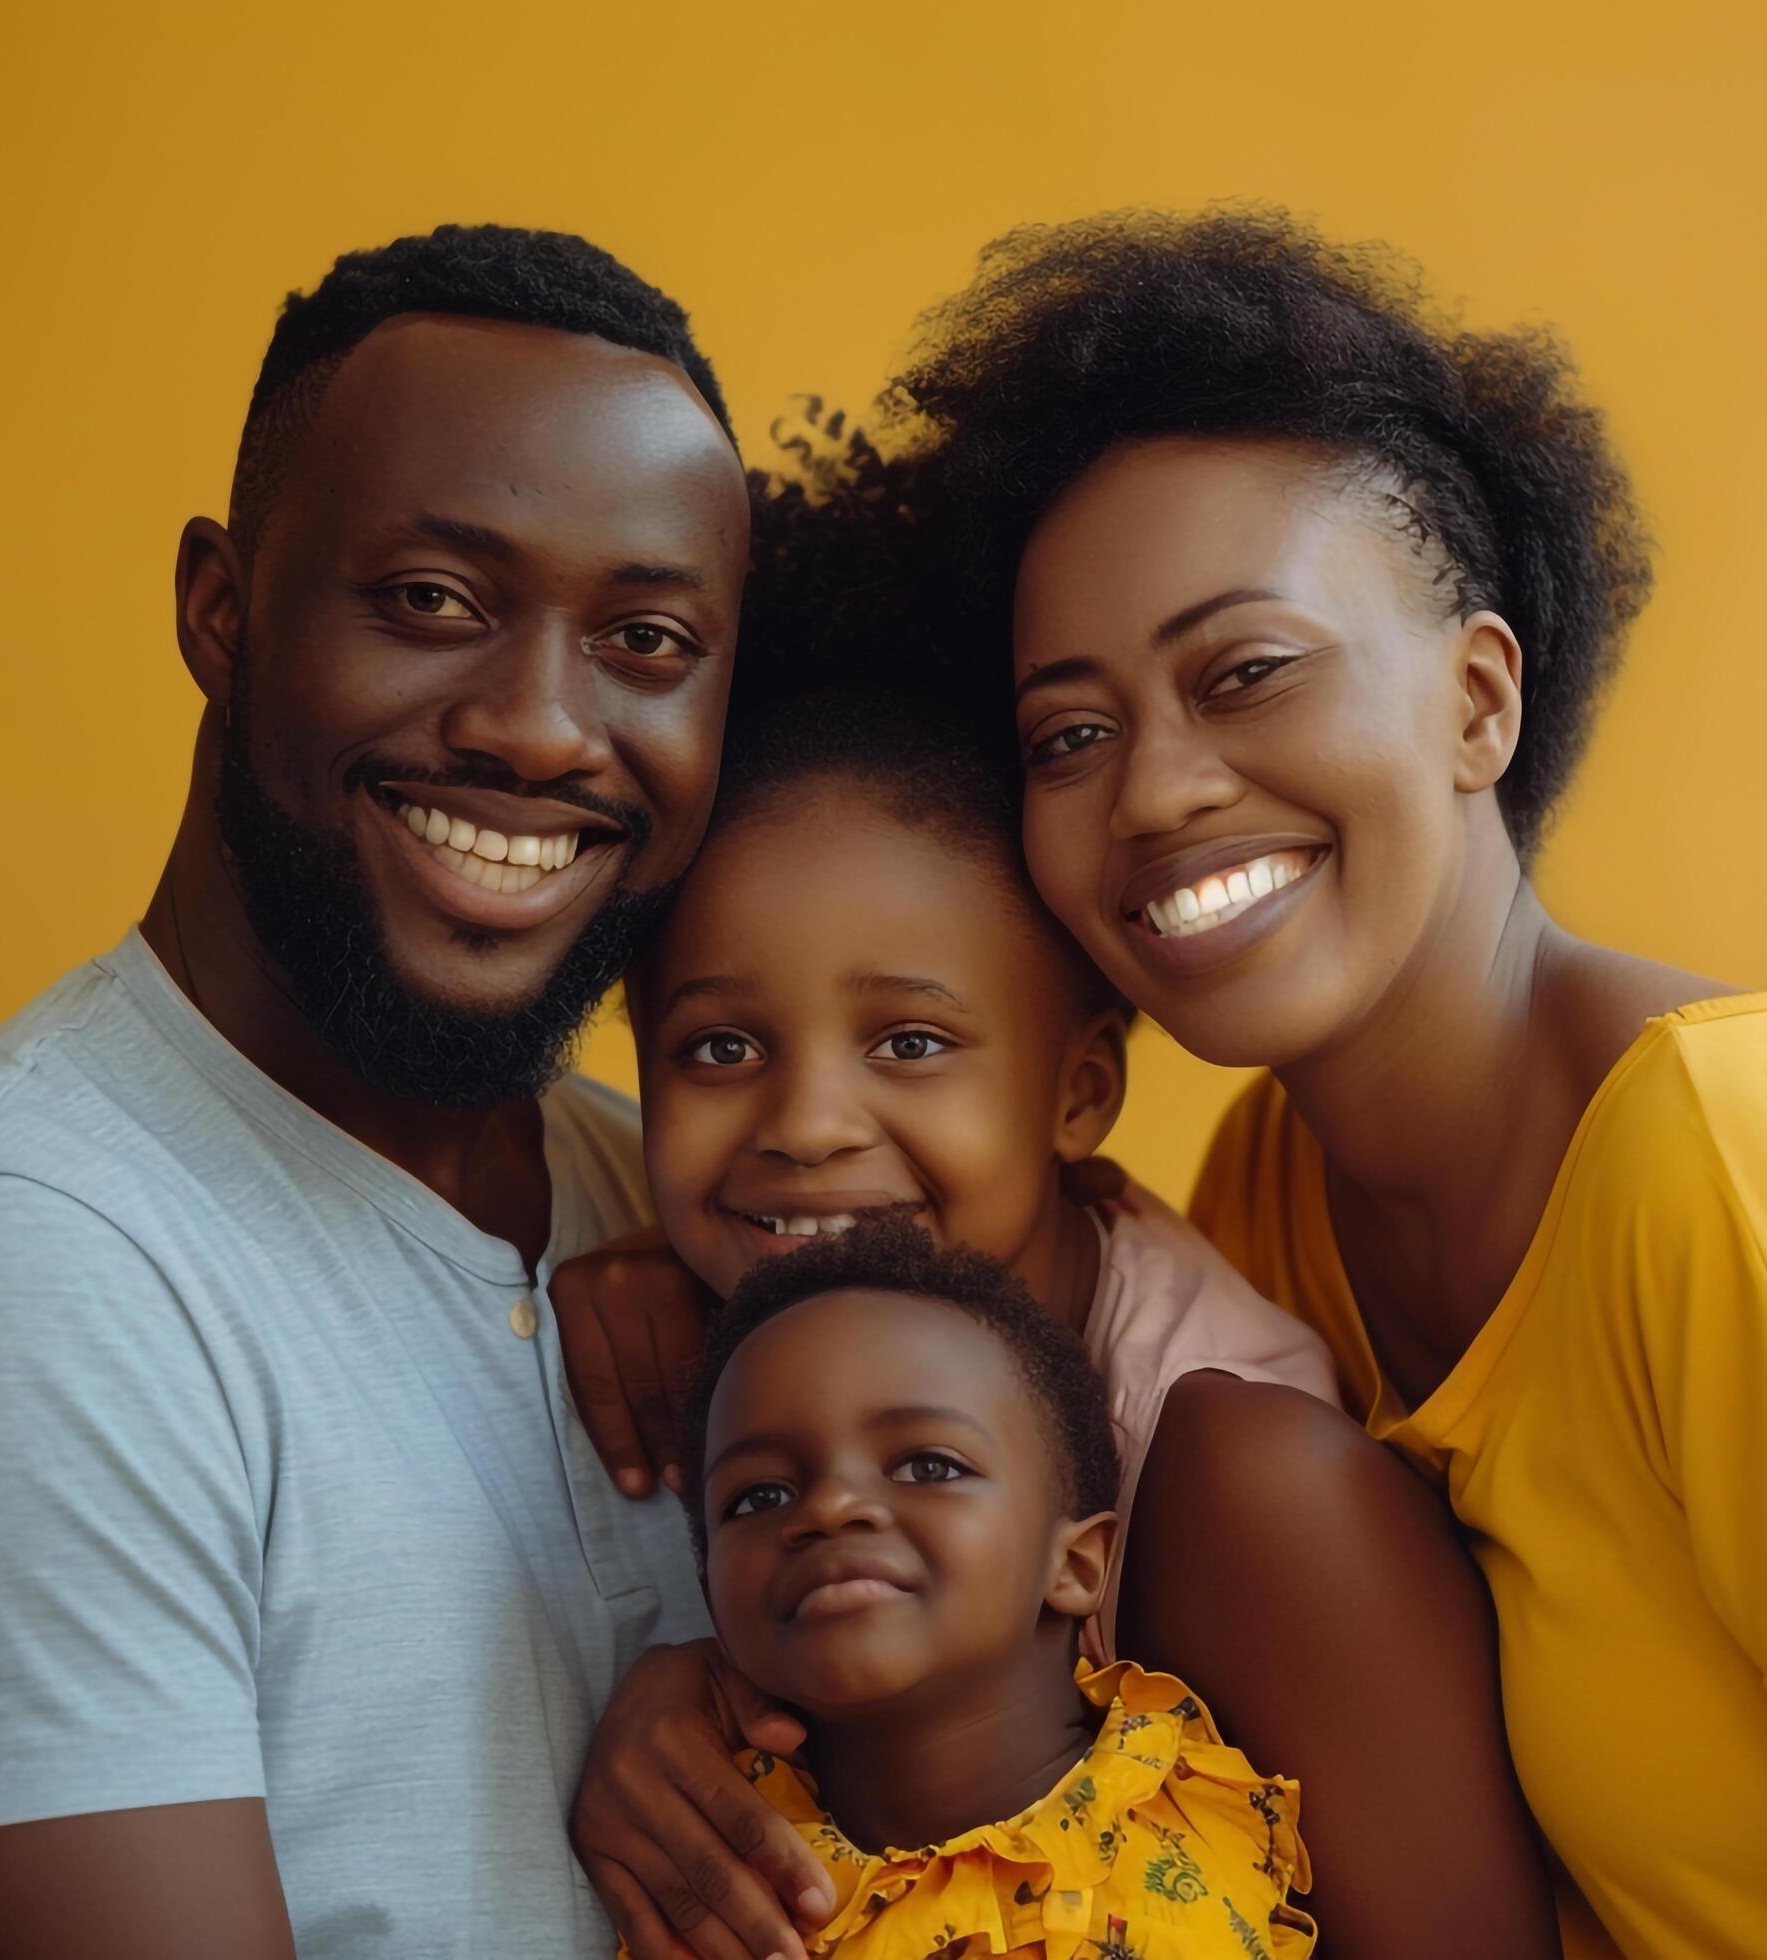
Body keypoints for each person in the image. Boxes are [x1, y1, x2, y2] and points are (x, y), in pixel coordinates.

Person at [877, 206, 1767, 1958]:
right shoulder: (1273, 1199)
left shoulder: (1740, 1162)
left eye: (1247, 673)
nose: (1155, 791)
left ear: (1478, 701)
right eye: (1074, 732)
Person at [0, 224, 754, 1960]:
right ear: (222, 609)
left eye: (647, 638)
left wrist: (699, 1682)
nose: (538, 730)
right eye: (434, 601)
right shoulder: (7, 1263)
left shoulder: (695, 1203)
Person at [558, 495, 1555, 1960]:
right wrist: (694, 1680)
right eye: (716, 1051)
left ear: (1080, 1086)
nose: (807, 1126)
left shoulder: (1236, 1481)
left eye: (909, 1043)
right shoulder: (698, 1317)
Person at [641, 1213, 1318, 1959]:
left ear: (1078, 1565)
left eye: (928, 1467)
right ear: (711, 1596)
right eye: (758, 1497)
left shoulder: (1199, 1832)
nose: (829, 1508)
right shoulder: (710, 1881)